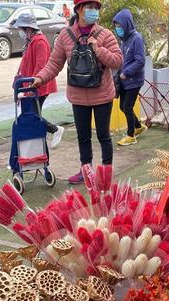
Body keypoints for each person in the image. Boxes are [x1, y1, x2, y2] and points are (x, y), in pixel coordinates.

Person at [31, 0, 122, 184]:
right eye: (90, 8)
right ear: (79, 10)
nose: (94, 11)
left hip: (102, 95)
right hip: (78, 97)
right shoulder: (65, 36)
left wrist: (98, 48)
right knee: (83, 137)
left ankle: (106, 173)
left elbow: (117, 61)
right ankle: (85, 171)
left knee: (103, 135)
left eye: (96, 8)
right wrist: (40, 78)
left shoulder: (105, 34)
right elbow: (54, 63)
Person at [13, 13, 64, 149]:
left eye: (22, 29)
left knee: (33, 115)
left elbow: (41, 66)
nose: (21, 32)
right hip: (30, 85)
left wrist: (31, 87)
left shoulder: (40, 42)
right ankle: (39, 141)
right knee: (31, 114)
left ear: (29, 29)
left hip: (38, 86)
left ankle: (54, 130)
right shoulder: (30, 42)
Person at [113, 9, 147, 146]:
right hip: (125, 81)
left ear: (126, 24)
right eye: (116, 27)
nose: (118, 29)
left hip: (133, 80)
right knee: (123, 106)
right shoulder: (124, 40)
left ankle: (130, 135)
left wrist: (126, 72)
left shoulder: (136, 38)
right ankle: (139, 126)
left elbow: (140, 61)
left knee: (127, 107)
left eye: (120, 26)